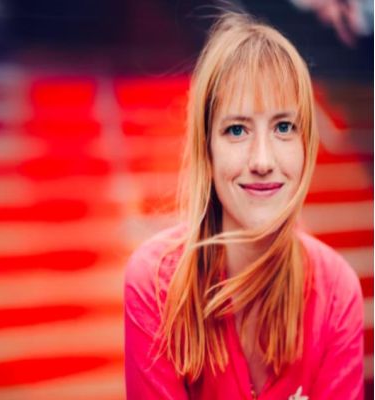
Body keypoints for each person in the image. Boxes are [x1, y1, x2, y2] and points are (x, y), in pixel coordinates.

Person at [124, 12, 364, 400]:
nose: (262, 160)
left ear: (306, 145)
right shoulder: (154, 283)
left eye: (284, 127)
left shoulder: (337, 290)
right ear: (207, 150)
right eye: (237, 129)